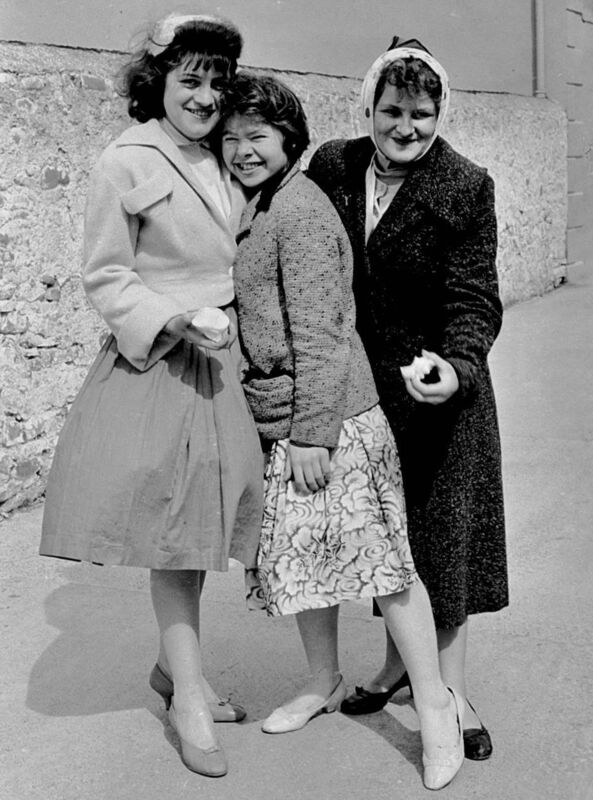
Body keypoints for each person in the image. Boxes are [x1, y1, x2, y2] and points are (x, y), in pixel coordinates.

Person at [221, 71, 465, 791]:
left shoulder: (297, 211)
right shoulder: (256, 205)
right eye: (230, 139)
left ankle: (437, 710)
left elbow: (327, 333)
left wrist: (312, 436)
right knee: (310, 562)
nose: (241, 150)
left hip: (334, 422)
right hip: (288, 419)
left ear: (288, 139)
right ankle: (324, 682)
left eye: (256, 137)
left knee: (386, 571)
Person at [39, 14, 264, 779]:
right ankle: (190, 694)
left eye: (215, 82)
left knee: (203, 529)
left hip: (220, 364)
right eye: (189, 80)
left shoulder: (222, 156)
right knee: (173, 534)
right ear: (158, 83)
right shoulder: (125, 161)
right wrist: (173, 317)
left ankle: (175, 669)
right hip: (164, 365)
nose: (205, 97)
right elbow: (106, 274)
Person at [307, 39, 507, 760]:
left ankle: (448, 698)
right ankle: (398, 670)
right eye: (393, 109)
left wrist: (456, 367)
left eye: (422, 113)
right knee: (384, 545)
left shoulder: (465, 184)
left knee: (441, 549)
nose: (407, 126)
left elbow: (473, 296)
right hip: (359, 390)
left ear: (439, 112)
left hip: (438, 397)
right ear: (370, 105)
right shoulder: (333, 164)